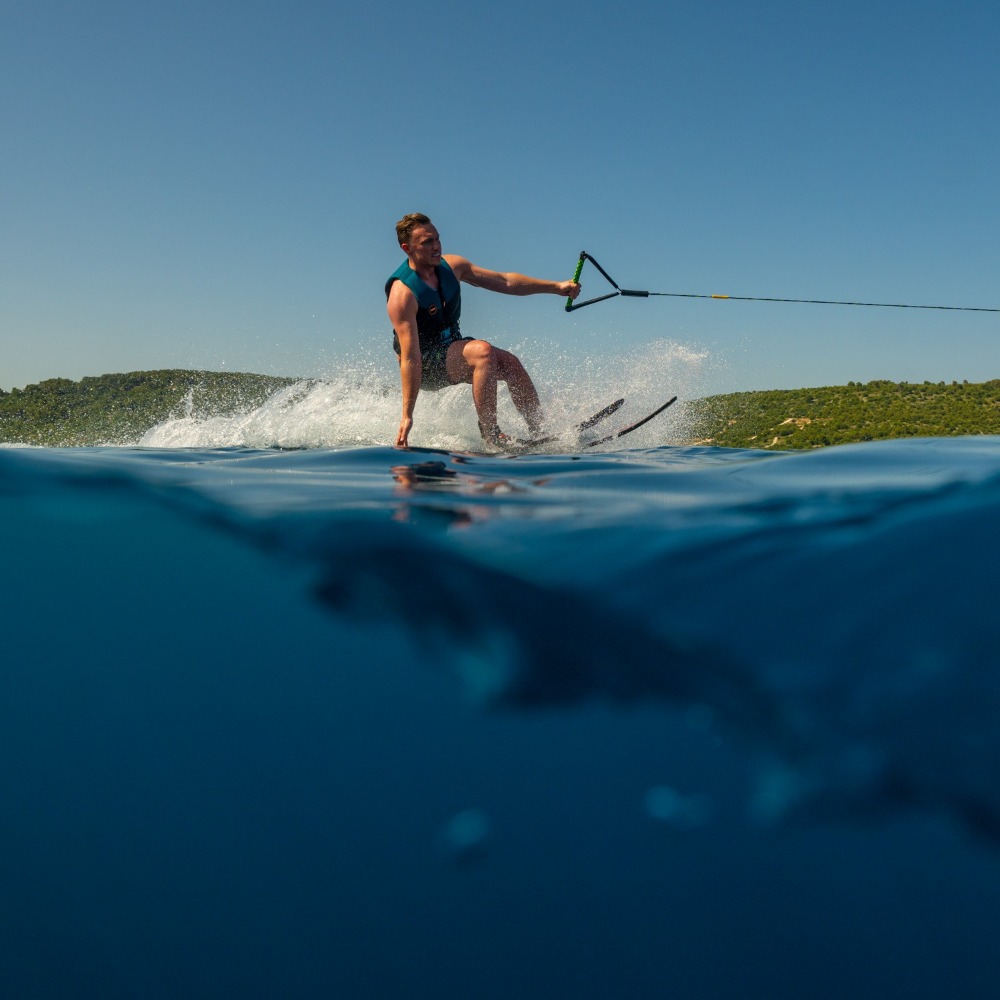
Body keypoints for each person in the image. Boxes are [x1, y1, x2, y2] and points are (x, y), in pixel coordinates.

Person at [386, 213, 581, 448]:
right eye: (427, 242)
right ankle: (491, 434)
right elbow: (409, 357)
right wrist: (407, 415)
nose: (436, 246)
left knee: (511, 364)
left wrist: (556, 287)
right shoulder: (403, 294)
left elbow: (506, 281)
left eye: (437, 239)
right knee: (482, 352)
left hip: (452, 349)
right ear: (407, 248)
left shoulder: (453, 267)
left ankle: (540, 432)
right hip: (424, 366)